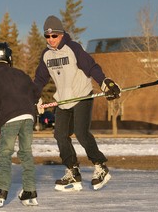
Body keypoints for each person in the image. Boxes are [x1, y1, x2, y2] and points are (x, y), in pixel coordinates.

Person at [34, 15, 121, 191]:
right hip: (63, 100)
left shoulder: (73, 48)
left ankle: (100, 165)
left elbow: (91, 67)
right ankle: (72, 171)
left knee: (81, 133)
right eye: (47, 36)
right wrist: (34, 96)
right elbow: (39, 79)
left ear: (61, 34)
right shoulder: (46, 55)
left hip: (82, 95)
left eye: (54, 36)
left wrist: (104, 82)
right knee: (60, 135)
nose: (51, 40)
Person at [0, 42, 40, 208]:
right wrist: (35, 104)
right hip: (28, 117)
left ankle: (1, 191)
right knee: (26, 153)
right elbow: (35, 92)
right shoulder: (21, 74)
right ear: (9, 58)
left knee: (5, 154)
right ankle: (30, 192)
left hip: (9, 119)